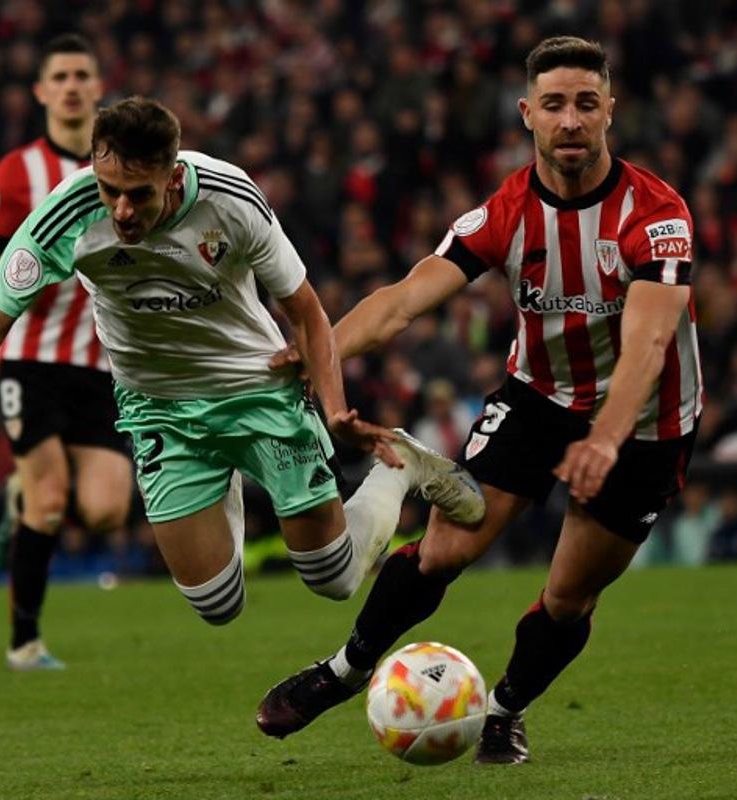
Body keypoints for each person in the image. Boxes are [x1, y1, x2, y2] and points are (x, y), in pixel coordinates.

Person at [255, 36, 702, 765]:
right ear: (527, 113)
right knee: (443, 550)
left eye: (586, 104)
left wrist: (605, 440)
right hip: (538, 401)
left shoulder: (655, 215)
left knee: (567, 597)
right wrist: (321, 347)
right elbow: (403, 300)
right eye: (553, 105)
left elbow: (650, 349)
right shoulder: (505, 211)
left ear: (610, 113)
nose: (569, 122)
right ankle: (343, 670)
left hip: (645, 425)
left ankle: (505, 710)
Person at [0, 97, 484, 642]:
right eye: (109, 189)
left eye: (139, 194)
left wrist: (332, 410)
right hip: (159, 408)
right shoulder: (66, 215)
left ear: (172, 176)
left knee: (331, 576)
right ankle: (219, 472)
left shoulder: (230, 199)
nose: (121, 209)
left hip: (256, 386)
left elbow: (306, 310)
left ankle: (401, 466)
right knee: (216, 604)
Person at [0, 34, 135, 671]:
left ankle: (19, 500)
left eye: (81, 74)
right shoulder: (19, 171)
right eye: (57, 75)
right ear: (40, 91)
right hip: (30, 357)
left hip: (100, 361)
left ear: (97, 87)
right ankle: (24, 643)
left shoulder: (124, 166)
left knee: (108, 508)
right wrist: (39, 259)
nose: (70, 85)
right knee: (52, 498)